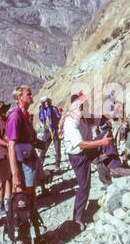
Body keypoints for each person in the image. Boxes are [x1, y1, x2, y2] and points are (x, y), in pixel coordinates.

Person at [60, 93, 113, 231]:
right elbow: (81, 144)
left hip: (87, 148)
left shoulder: (84, 115)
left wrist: (110, 115)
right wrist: (101, 142)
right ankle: (77, 218)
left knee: (107, 139)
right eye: (84, 104)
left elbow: (99, 118)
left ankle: (112, 175)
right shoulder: (71, 121)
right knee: (84, 186)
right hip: (78, 154)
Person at [5, 85, 43, 244]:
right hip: (23, 166)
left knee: (31, 199)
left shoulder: (24, 115)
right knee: (22, 202)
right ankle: (23, 240)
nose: (31, 95)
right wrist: (15, 175)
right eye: (28, 94)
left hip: (29, 163)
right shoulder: (15, 117)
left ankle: (34, 236)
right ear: (20, 97)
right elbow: (11, 146)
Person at [38, 97, 62, 171]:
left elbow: (59, 117)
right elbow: (41, 120)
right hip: (47, 131)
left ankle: (57, 166)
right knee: (43, 149)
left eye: (47, 101)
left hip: (54, 130)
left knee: (57, 149)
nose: (46, 103)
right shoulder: (41, 111)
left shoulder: (54, 109)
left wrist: (59, 126)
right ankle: (40, 165)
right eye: (45, 102)